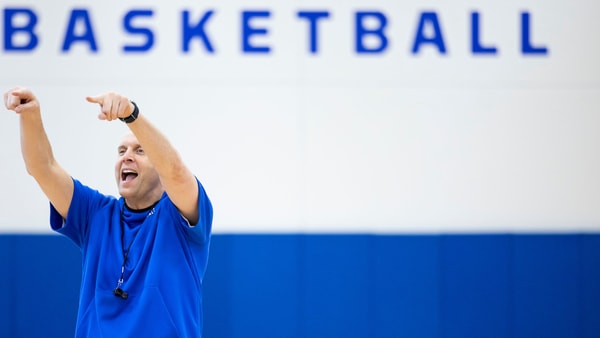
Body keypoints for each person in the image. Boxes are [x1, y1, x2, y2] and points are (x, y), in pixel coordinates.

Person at [4, 86, 213, 337]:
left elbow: (176, 171)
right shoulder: (95, 214)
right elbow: (42, 167)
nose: (126, 157)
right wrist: (30, 114)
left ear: (158, 166)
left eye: (140, 150)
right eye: (121, 151)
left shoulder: (180, 217)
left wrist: (130, 114)